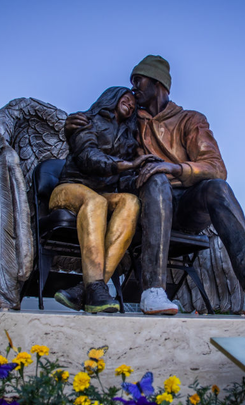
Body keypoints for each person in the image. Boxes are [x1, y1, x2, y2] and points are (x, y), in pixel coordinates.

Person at [65, 55, 245, 316]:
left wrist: (174, 168)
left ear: (158, 83)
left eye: (138, 80)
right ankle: (153, 290)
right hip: (146, 202)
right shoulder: (132, 121)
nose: (133, 87)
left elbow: (216, 166)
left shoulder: (190, 120)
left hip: (186, 206)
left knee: (218, 187)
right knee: (155, 179)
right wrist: (74, 126)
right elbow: (101, 131)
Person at [51, 86, 161, 313]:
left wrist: (147, 170)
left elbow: (126, 177)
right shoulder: (86, 120)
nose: (130, 105)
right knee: (96, 202)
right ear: (113, 97)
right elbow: (88, 157)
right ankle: (95, 288)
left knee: (131, 202)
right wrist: (126, 165)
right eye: (126, 98)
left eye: (133, 104)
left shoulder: (129, 140)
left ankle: (88, 288)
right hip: (68, 189)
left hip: (101, 194)